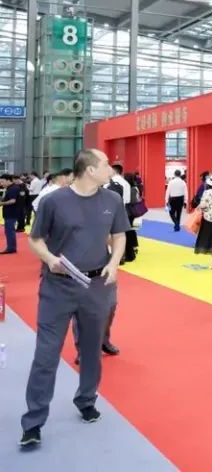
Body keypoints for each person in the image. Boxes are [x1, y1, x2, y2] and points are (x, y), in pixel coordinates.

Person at [19, 149, 127, 450]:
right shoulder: (54, 201)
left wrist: (114, 263)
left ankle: (86, 399)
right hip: (57, 286)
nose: (111, 169)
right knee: (46, 354)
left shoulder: (112, 200)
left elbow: (120, 235)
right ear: (90, 170)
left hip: (97, 285)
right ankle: (33, 422)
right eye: (106, 164)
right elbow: (35, 239)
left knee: (92, 350)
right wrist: (49, 258)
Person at [1, 174, 26, 253]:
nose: (1, 184)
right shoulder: (12, 188)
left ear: (8, 180)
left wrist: (1, 203)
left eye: (2, 181)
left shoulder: (13, 188)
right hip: (11, 212)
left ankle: (11, 248)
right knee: (9, 230)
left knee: (9, 231)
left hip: (11, 212)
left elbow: (12, 200)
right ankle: (11, 247)